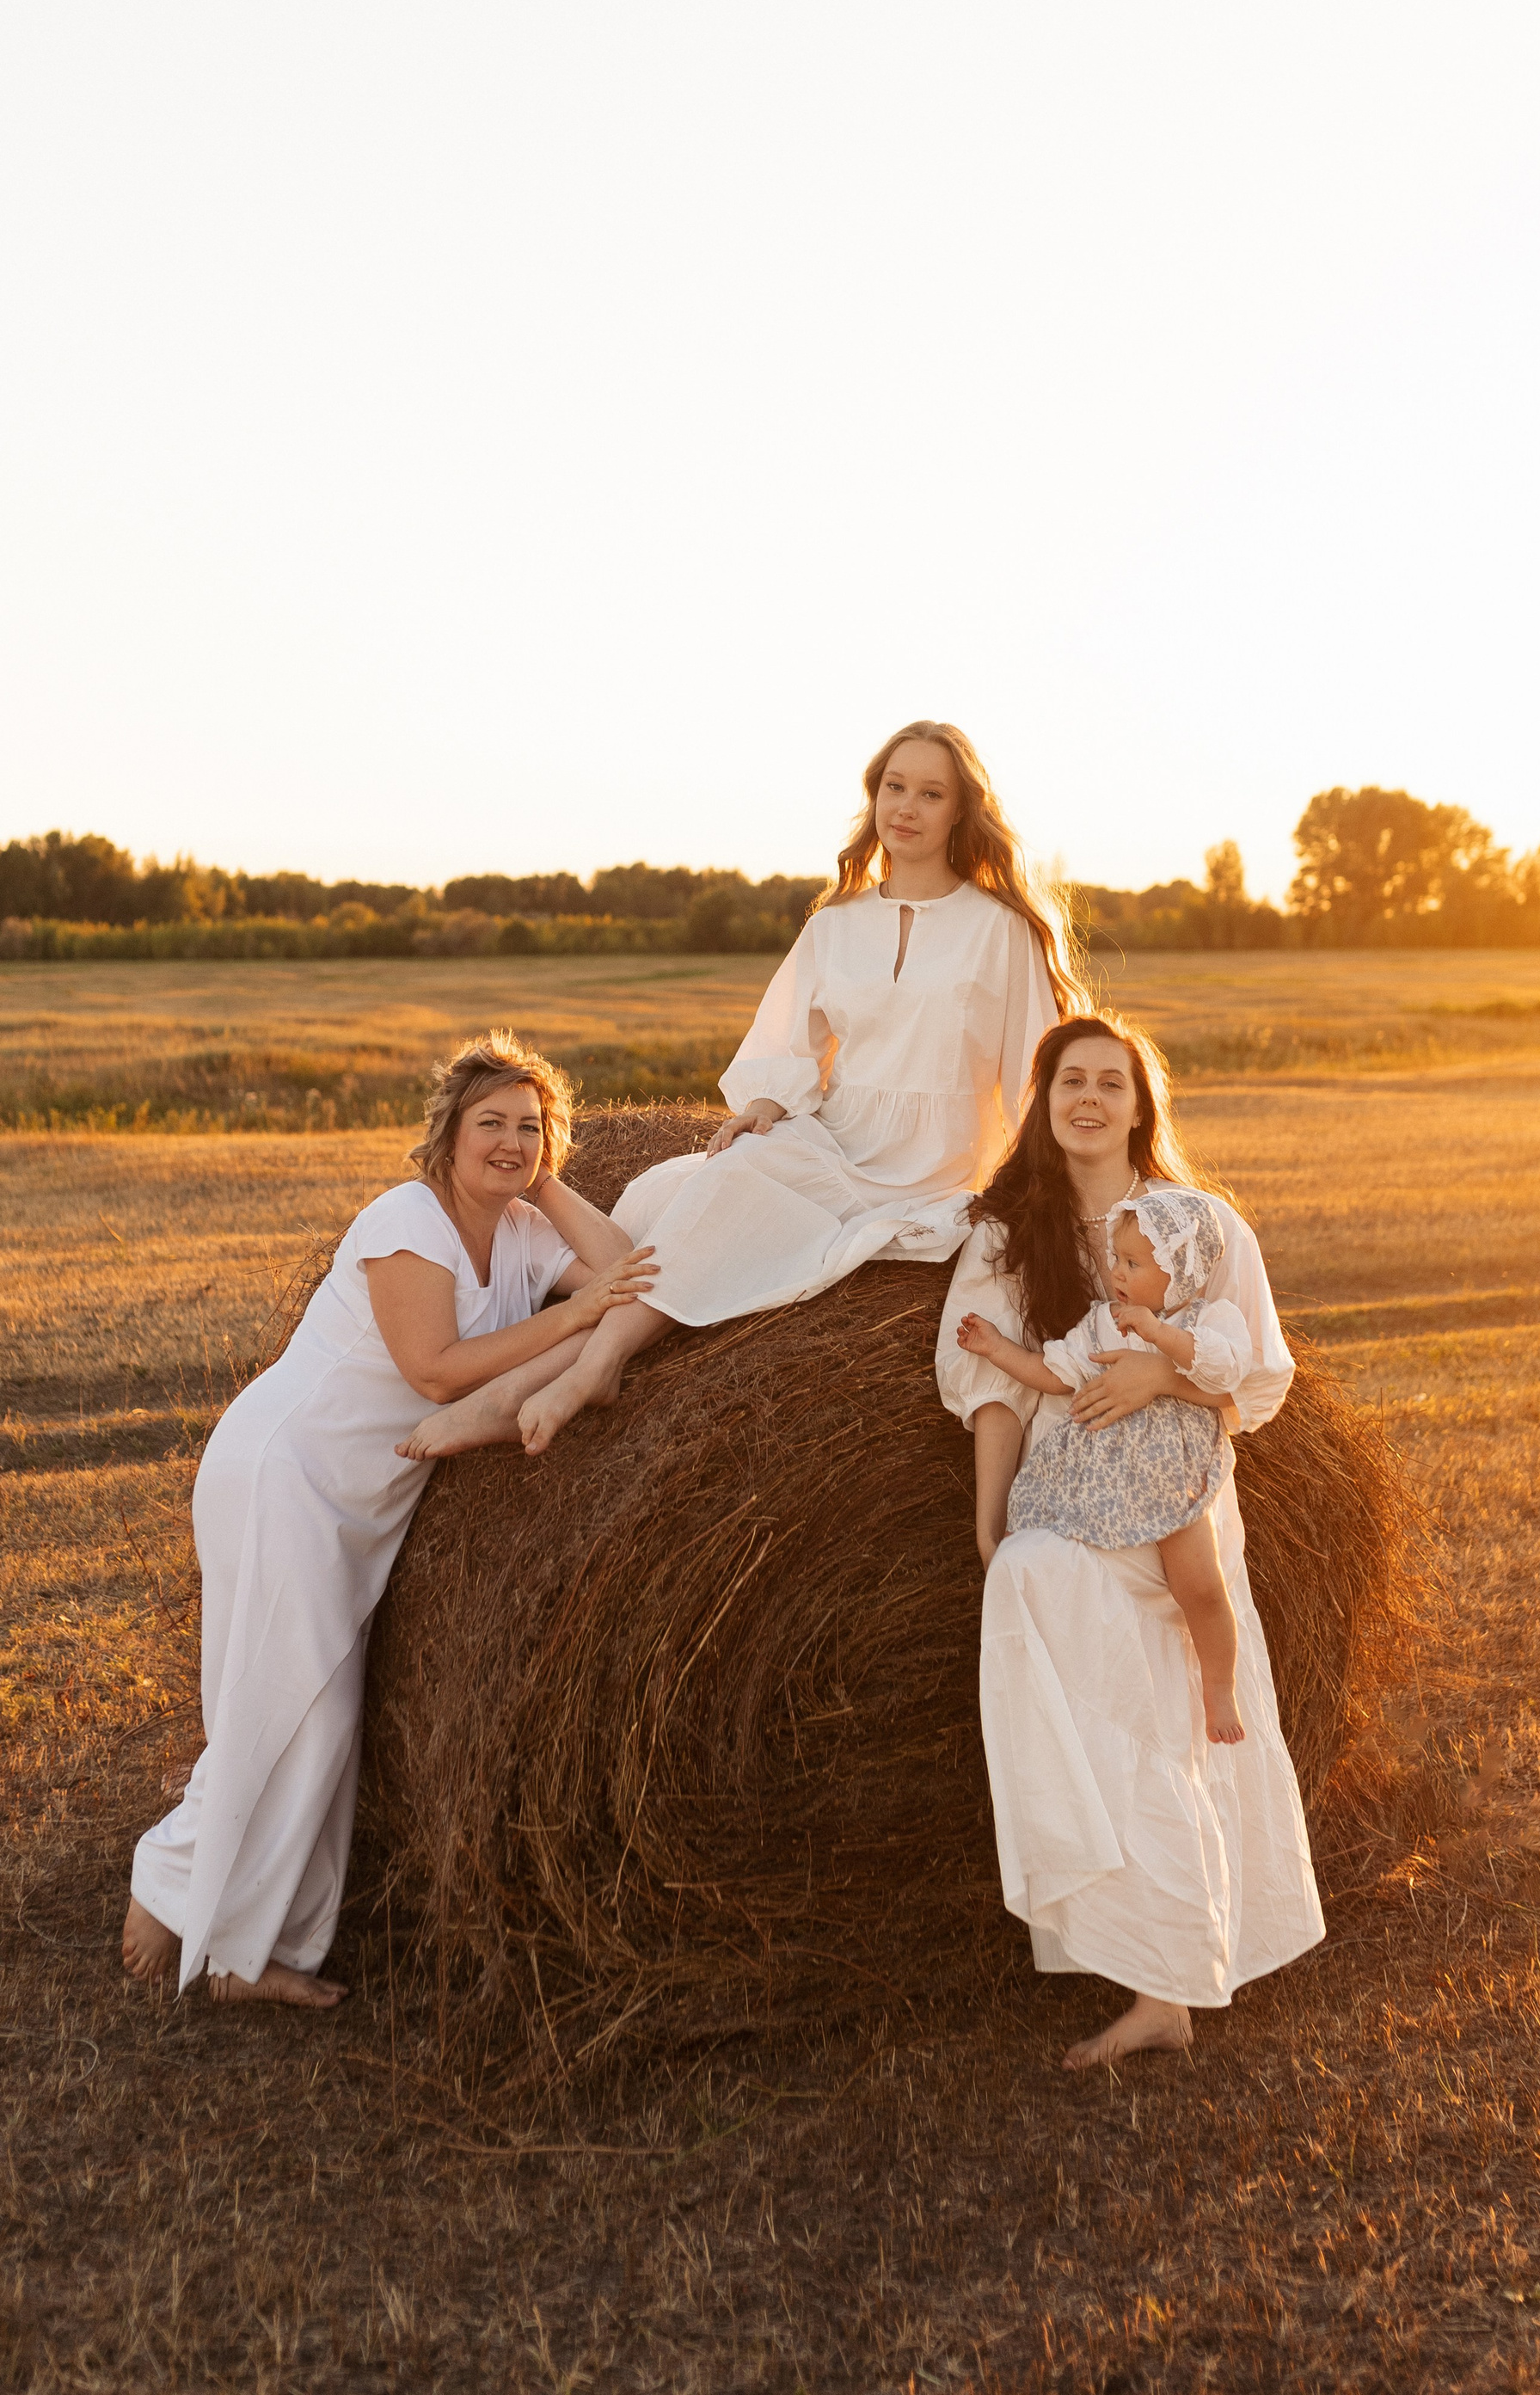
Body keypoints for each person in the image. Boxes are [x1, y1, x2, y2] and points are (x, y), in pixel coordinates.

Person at [120, 1029, 656, 2008]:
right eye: (491, 1124)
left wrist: (548, 1184)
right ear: (447, 1134)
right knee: (282, 1701)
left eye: (530, 1127)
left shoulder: (526, 1230)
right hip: (289, 1469)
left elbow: (635, 1270)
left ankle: (246, 1948)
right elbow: (436, 1372)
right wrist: (577, 1318)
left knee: (319, 1720)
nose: (510, 1142)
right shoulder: (406, 1219)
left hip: (359, 1499)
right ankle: (170, 1895)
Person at [397, 720, 1088, 1461]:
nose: (907, 808)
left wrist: (1050, 1186)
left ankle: (554, 1377)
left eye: (931, 793)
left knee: (719, 1213)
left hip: (936, 1166)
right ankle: (572, 1372)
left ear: (961, 811)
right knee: (722, 1179)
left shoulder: (999, 930)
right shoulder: (836, 925)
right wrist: (763, 1107)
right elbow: (788, 1043)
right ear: (875, 796)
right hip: (840, 1136)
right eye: (895, 787)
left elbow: (1034, 1074)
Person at [936, 1014, 1323, 2072]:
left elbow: (1259, 1374)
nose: (1091, 1099)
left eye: (1113, 1082)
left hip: (1176, 1499)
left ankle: (1171, 1983)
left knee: (1177, 1720)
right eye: (1072, 1080)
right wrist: (989, 1519)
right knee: (1077, 1668)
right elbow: (995, 1388)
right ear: (1045, 1099)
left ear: (1142, 1105)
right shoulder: (1005, 1232)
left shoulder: (1200, 1223)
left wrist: (1163, 1375)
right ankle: (1138, 1953)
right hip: (1072, 1498)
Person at [955, 1185, 1254, 1745]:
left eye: (1134, 1264)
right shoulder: (1101, 1324)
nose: (1116, 1271)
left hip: (1174, 1473)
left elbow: (1226, 1372)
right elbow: (1055, 1373)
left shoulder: (1210, 1320)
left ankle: (1220, 1686)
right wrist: (997, 1349)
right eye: (1117, 1258)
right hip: (1105, 1468)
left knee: (1201, 1586)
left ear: (1181, 1273)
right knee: (1055, 1551)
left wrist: (1159, 1335)